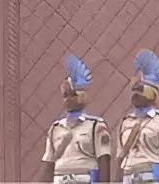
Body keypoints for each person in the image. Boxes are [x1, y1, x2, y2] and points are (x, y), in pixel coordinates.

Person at [40, 55, 113, 183]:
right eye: (65, 96)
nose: (68, 99)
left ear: (82, 97)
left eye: (72, 95)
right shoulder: (56, 128)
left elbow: (104, 161)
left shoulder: (96, 126)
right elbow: (49, 164)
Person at [116, 50, 159, 184]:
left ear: (152, 95)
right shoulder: (126, 122)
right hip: (128, 175)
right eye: (134, 90)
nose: (135, 94)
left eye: (140, 90)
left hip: (153, 175)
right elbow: (121, 158)